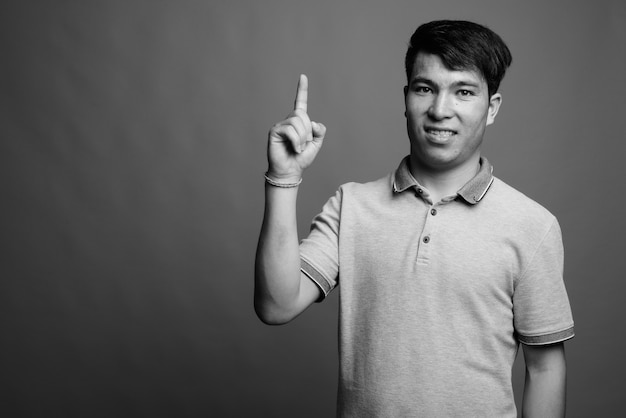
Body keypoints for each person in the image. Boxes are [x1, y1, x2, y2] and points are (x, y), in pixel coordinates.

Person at [255, 20, 574, 418]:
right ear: (406, 98)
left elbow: (544, 369)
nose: (441, 110)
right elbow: (276, 305)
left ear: (491, 108)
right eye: (426, 89)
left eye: (463, 92)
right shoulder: (352, 206)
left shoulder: (532, 225)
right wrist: (284, 178)